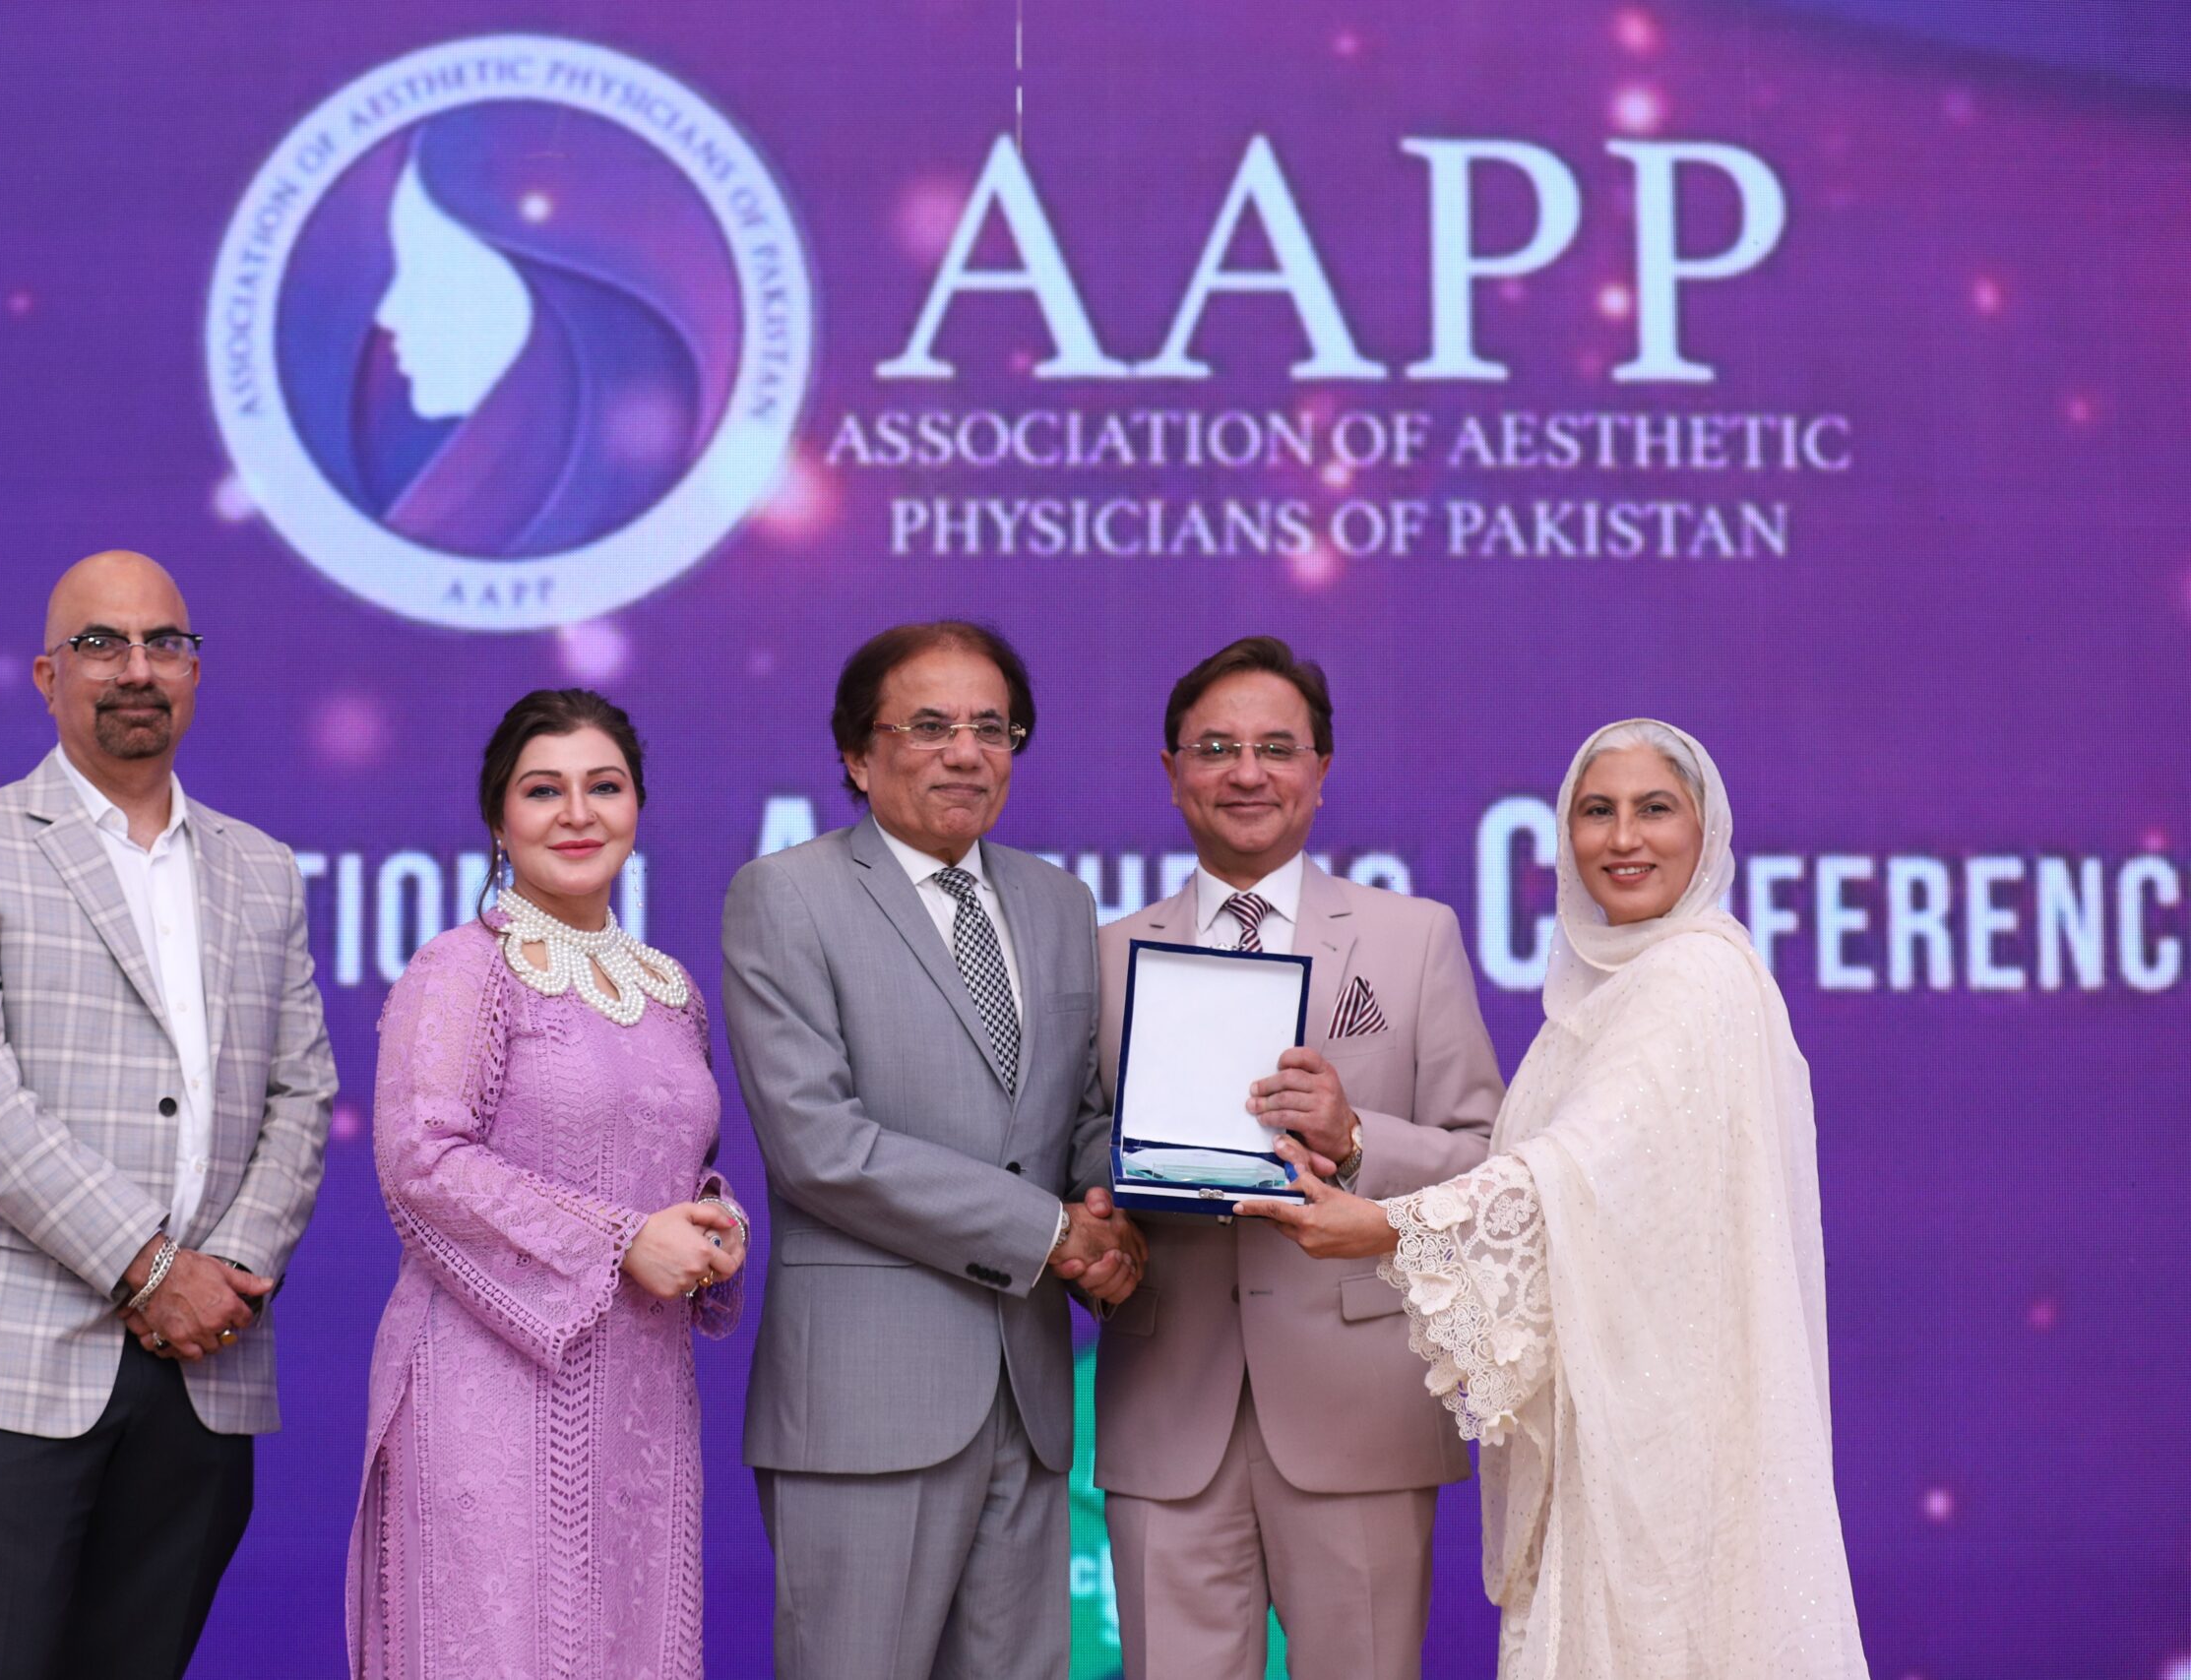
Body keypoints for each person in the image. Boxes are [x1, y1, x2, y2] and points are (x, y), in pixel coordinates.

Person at [1240, 719, 1869, 1679]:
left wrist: (1386, 1228)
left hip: (1663, 1442)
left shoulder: (1695, 976)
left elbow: (1571, 1172)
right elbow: (1571, 1182)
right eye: (1595, 811)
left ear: (1706, 833)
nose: (1624, 838)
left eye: (1655, 809)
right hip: (1617, 1415)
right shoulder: (1611, 991)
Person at [0, 549, 337, 1680]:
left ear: (194, 672)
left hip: (206, 1362)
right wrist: (149, 1269)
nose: (136, 669)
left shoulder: (263, 870)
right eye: (100, 644)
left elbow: (303, 1093)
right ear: (46, 676)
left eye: (162, 643)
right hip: (18, 1360)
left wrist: (224, 1277)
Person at [721, 620, 1146, 1680]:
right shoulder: (787, 895)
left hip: (1029, 1399)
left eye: (992, 728)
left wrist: (1114, 1206)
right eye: (929, 726)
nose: (965, 752)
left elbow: (1075, 1115)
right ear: (857, 756)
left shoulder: (1058, 902)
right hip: (865, 1404)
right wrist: (1049, 1232)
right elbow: (819, 1145)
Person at [1090, 636, 1504, 1680]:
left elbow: (1488, 1164)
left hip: (1359, 1406)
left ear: (1321, 771)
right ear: (1171, 772)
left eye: (1276, 748)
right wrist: (1094, 1198)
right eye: (1216, 747)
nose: (1246, 772)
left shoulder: (1414, 937)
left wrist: (1357, 1140)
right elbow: (1074, 1140)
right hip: (1167, 1407)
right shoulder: (1102, 953)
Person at [344, 689, 747, 1679]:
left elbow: (670, 1157)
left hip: (640, 1396)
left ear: (637, 807)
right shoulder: (462, 969)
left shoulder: (669, 989)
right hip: (487, 1390)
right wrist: (623, 1240)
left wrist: (714, 1217)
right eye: (542, 790)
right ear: (498, 818)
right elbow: (421, 1163)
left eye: (603, 787)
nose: (577, 813)